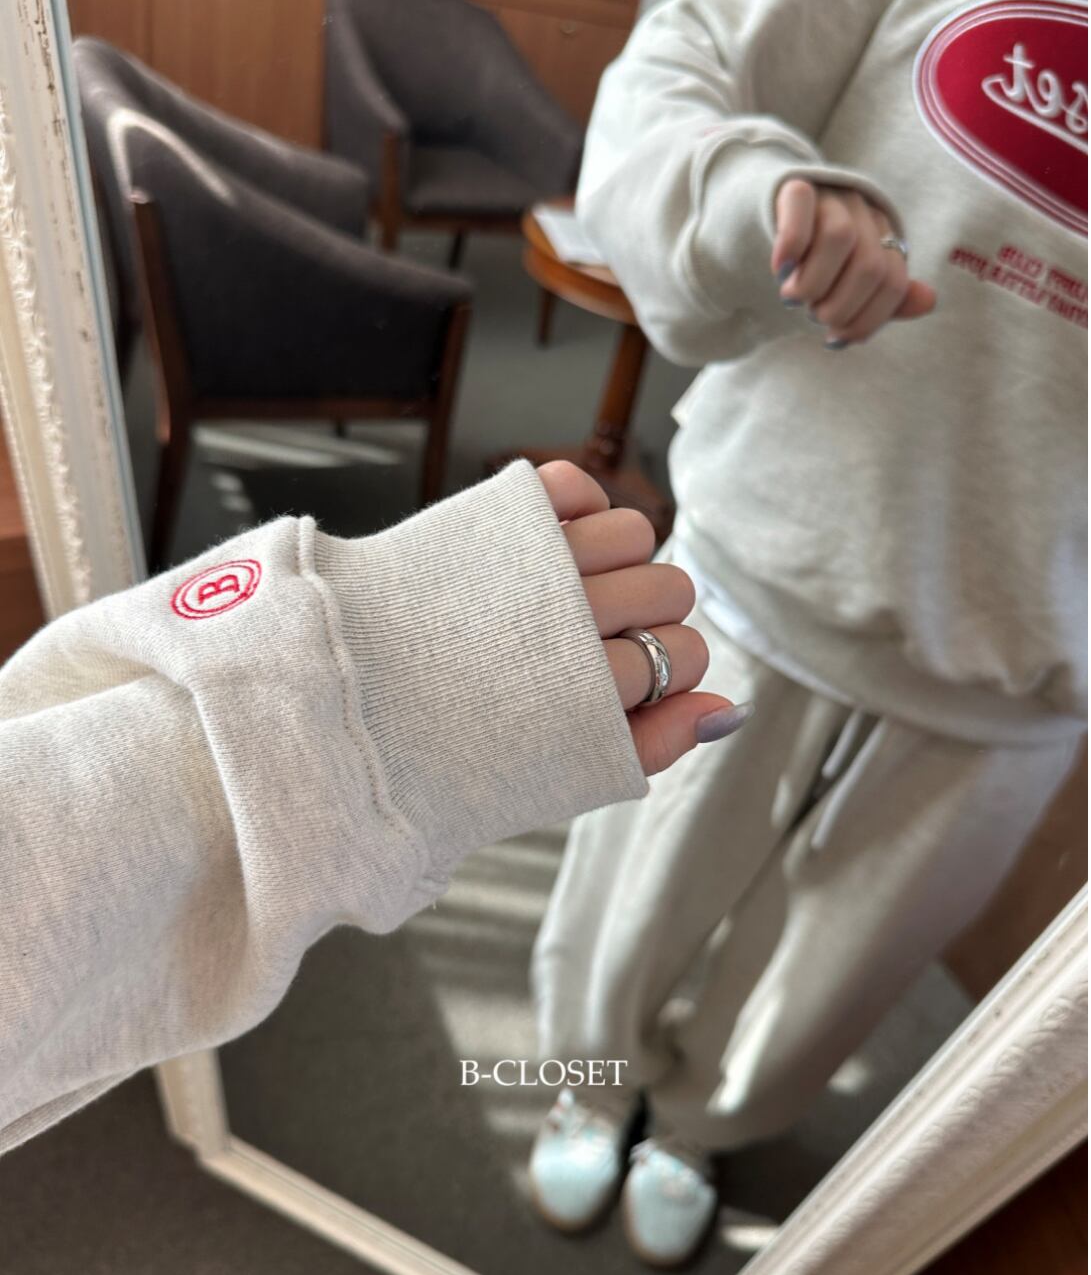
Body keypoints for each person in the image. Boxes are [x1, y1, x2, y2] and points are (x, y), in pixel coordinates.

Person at [529, 0, 1088, 1268]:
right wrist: (756, 196)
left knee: (844, 954)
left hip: (1038, 640)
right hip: (771, 541)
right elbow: (670, 78)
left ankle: (701, 1129)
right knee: (639, 872)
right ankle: (584, 1082)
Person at [0, 459, 749, 1154]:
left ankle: (711, 1125)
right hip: (747, 532)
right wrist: (343, 715)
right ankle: (600, 1090)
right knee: (655, 887)